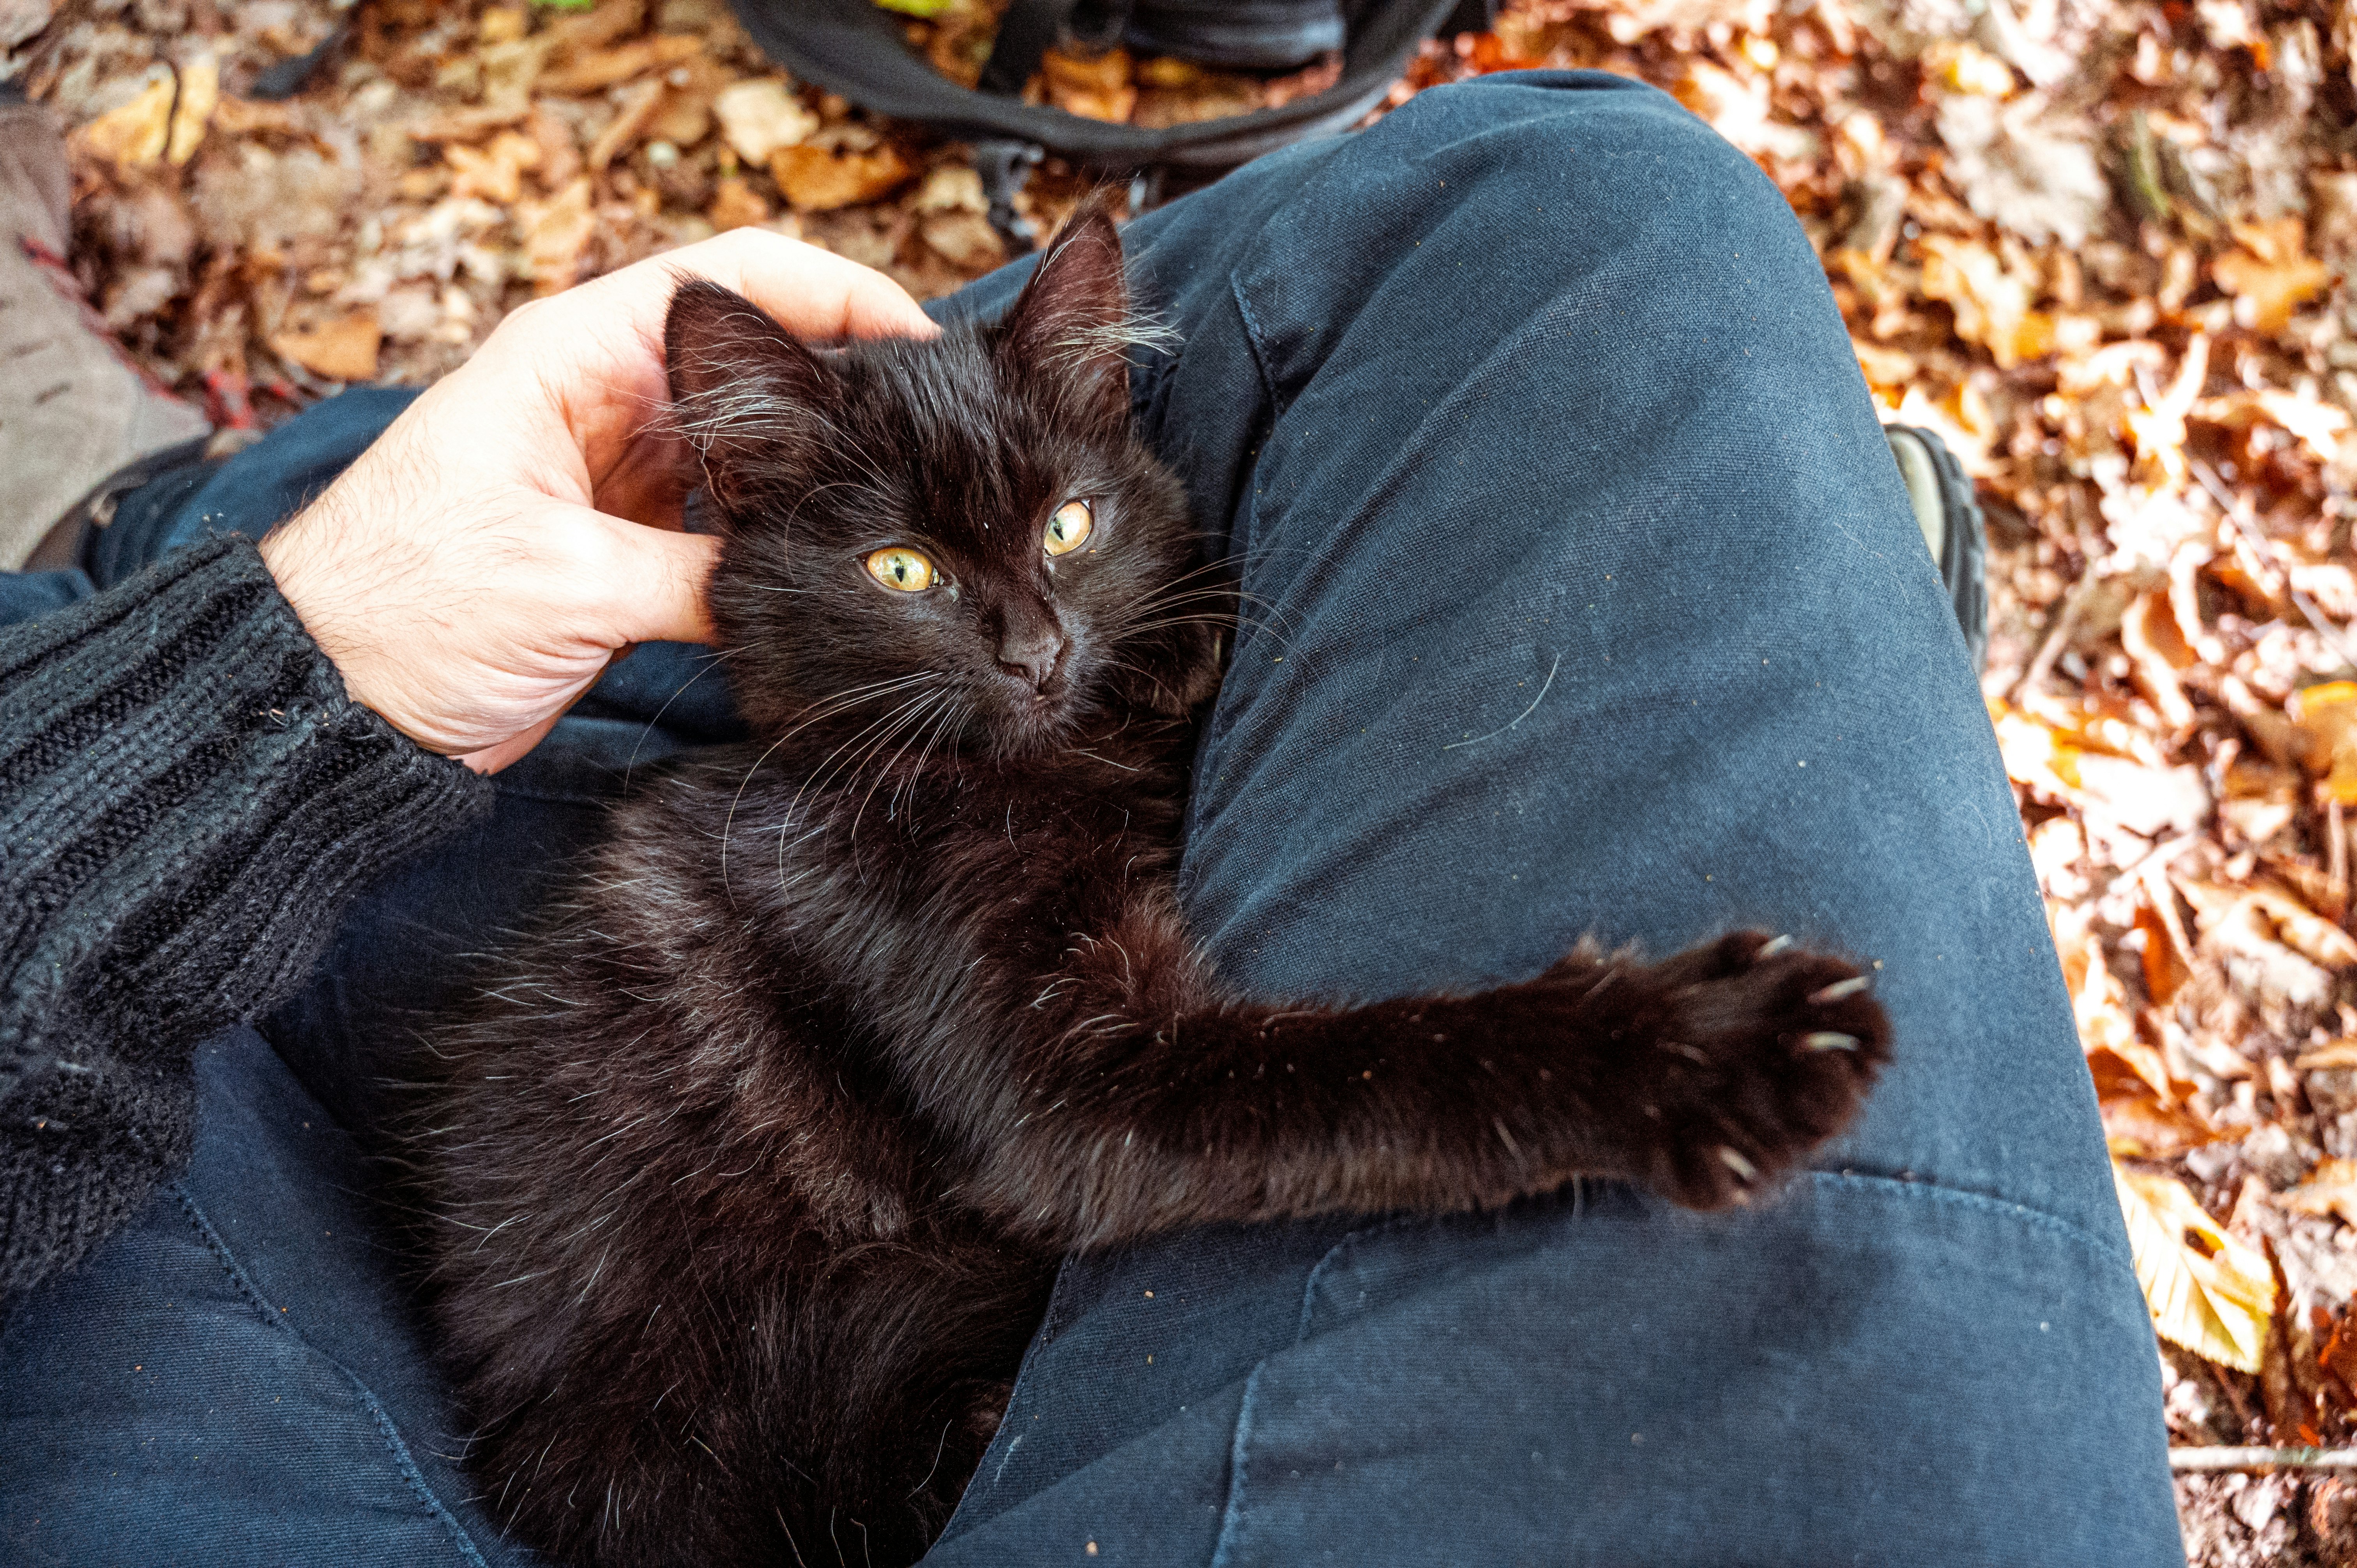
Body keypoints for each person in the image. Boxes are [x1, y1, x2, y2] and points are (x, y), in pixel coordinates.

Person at [1, 70, 2178, 1564]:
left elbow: (1042, 577)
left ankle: (137, 547)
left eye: (1064, 529)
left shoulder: (971, 701)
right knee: (1564, 245)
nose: (1031, 636)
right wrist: (1597, 1060)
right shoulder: (869, 841)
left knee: (1575, 192)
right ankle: (151, 546)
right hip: (738, 1422)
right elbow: (1099, 1111)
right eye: (918, 578)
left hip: (271, 978)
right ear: (765, 538)